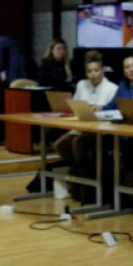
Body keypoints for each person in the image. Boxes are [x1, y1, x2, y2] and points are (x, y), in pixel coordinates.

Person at [53, 50, 117, 198]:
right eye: (89, 71)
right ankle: (77, 171)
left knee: (78, 143)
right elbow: (75, 105)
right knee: (60, 145)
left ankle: (86, 181)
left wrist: (98, 109)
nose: (93, 74)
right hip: (81, 127)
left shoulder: (112, 88)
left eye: (96, 70)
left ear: (102, 71)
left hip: (101, 130)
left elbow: (111, 113)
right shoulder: (82, 85)